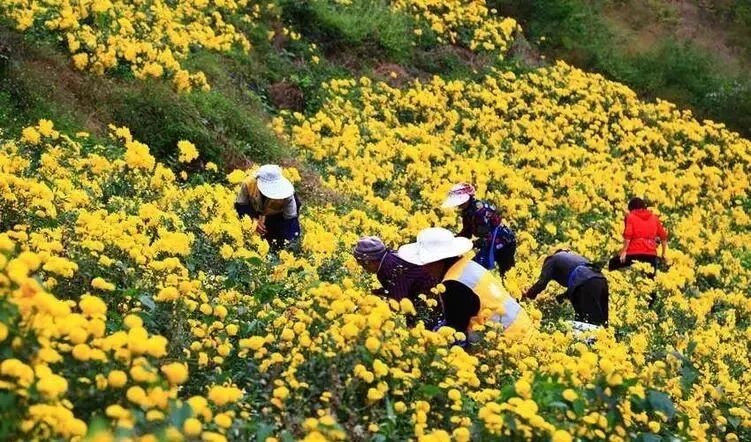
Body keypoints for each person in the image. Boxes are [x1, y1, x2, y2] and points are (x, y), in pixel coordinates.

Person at [397, 227, 531, 341]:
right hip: (525, 329)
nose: (424, 268)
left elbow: (455, 332)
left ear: (438, 260)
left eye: (425, 262)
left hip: (510, 341)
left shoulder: (453, 285)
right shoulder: (467, 265)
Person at [353, 236, 439, 326]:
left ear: (369, 261)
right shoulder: (389, 257)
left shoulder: (389, 268)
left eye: (362, 264)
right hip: (427, 291)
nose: (363, 268)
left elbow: (397, 302)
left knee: (417, 323)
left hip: (432, 297)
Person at [441, 183, 517, 278]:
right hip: (492, 242)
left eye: (461, 203)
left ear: (468, 199)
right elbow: (467, 233)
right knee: (474, 269)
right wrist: (452, 241)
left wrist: (472, 244)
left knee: (507, 274)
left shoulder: (479, 212)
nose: (459, 206)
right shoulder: (467, 211)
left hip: (505, 243)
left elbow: (486, 238)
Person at [523, 249, 608, 326]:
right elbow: (576, 283)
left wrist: (528, 295)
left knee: (584, 321)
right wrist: (561, 298)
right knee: (602, 320)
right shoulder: (572, 259)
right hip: (601, 280)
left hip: (586, 282)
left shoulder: (551, 260)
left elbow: (541, 283)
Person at [235, 164, 301, 250]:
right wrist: (253, 220)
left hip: (278, 217)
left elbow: (290, 222)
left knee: (283, 242)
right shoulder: (248, 184)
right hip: (254, 211)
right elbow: (241, 206)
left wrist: (285, 245)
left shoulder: (288, 194)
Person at [608, 197, 668, 274]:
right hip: (651, 256)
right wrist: (663, 253)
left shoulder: (630, 216)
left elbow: (628, 235)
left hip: (633, 254)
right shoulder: (654, 218)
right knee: (651, 276)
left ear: (631, 208)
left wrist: (623, 251)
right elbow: (663, 236)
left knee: (612, 263)